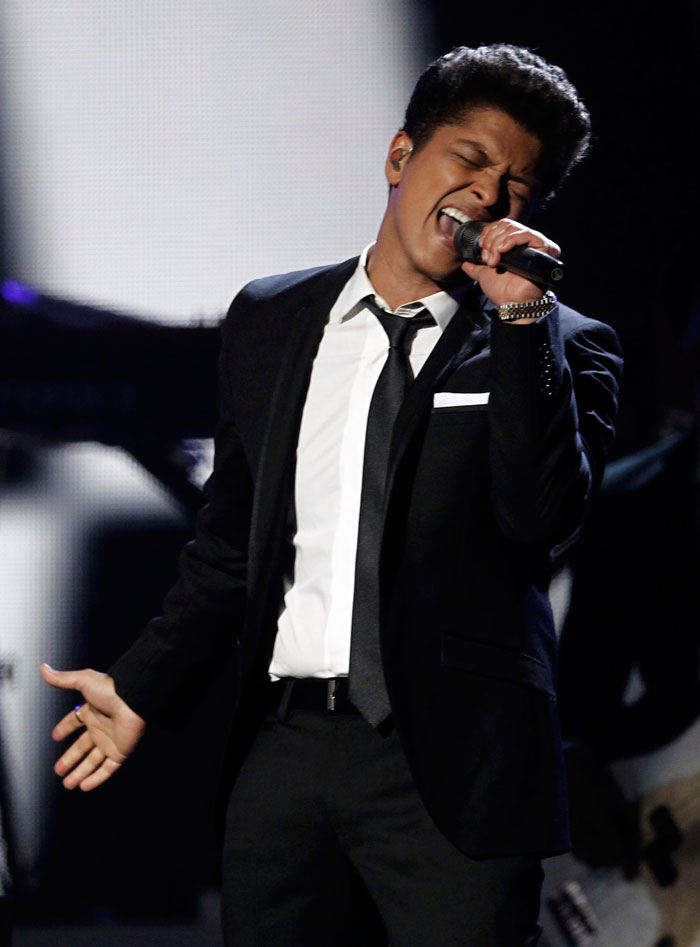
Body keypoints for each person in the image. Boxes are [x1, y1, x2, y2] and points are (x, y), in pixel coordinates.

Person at [41, 44, 622, 946]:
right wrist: (142, 685)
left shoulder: (559, 344)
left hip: (456, 776)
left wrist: (519, 323)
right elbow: (229, 546)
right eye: (468, 160)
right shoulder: (273, 319)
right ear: (400, 158)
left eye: (518, 186)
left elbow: (540, 517)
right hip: (286, 754)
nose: (486, 196)